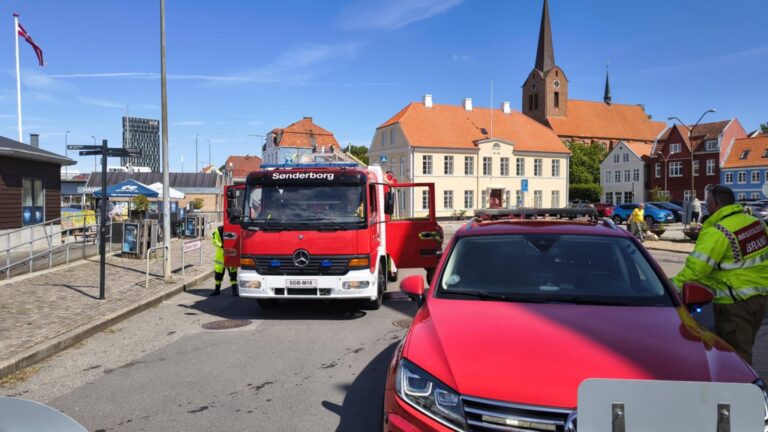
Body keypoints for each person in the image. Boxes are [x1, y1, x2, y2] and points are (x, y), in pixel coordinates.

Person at [673, 185, 768, 365]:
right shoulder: (757, 223)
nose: (707, 206)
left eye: (708, 202)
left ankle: (743, 390)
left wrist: (671, 288)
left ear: (715, 204)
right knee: (744, 346)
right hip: (760, 300)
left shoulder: (718, 232)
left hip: (735, 305)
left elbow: (695, 271)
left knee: (736, 357)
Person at [211, 226, 238, 297]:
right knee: (218, 274)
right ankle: (217, 290)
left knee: (233, 274)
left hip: (230, 254)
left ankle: (234, 291)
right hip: (221, 256)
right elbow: (214, 241)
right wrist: (222, 245)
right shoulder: (218, 230)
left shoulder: (233, 229)